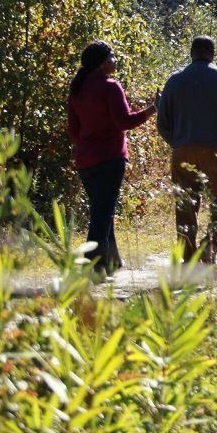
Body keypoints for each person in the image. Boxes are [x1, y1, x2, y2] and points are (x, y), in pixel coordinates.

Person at [66, 41, 156, 278]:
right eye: (112, 56)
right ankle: (93, 266)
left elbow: (73, 133)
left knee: (102, 209)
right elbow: (125, 122)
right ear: (101, 63)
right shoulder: (110, 86)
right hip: (109, 158)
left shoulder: (77, 89)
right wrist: (153, 108)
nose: (115, 61)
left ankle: (112, 260)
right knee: (102, 213)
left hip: (85, 160)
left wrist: (89, 141)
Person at [157, 35, 217, 266]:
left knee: (185, 205)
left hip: (183, 150)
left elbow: (162, 122)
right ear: (212, 54)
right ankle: (209, 247)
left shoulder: (174, 81)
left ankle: (188, 258)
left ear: (191, 53)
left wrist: (177, 142)